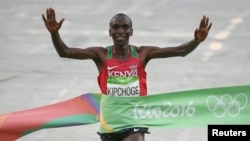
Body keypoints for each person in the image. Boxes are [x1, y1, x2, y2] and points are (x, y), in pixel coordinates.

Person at [42, 7, 212, 141]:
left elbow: (180, 51)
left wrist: (196, 41)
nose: (120, 30)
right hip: (110, 123)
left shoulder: (142, 53)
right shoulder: (101, 55)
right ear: (110, 32)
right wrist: (54, 33)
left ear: (131, 31)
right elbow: (65, 52)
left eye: (125, 27)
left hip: (135, 119)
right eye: (116, 27)